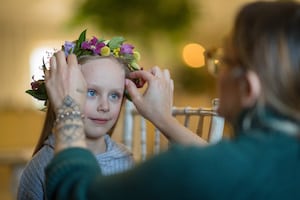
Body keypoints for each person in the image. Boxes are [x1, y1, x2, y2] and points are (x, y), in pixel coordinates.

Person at [46, 1, 300, 199]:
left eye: (224, 60)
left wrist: (69, 107)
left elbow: (75, 193)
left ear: (247, 87)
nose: (216, 72)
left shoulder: (191, 169)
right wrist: (163, 118)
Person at [17, 30, 143, 199]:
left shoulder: (127, 162)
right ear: (60, 93)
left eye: (114, 95)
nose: (104, 106)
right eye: (91, 92)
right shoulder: (40, 166)